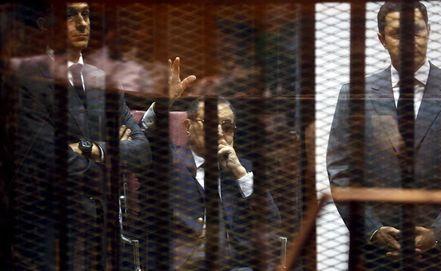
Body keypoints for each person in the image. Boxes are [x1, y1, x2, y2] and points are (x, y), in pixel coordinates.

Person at [9, 2, 153, 269]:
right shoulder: (28, 78)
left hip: (101, 226)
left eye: (85, 14)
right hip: (49, 223)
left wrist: (92, 148)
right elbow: (52, 160)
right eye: (69, 15)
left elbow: (143, 153)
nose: (82, 23)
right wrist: (114, 154)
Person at [327, 1, 441, 270]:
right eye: (397, 34)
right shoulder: (355, 93)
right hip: (375, 253)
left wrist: (439, 233)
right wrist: (373, 230)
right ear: (382, 39)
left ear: (428, 30)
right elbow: (341, 171)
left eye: (415, 30)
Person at [168, 97, 280, 270]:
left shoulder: (242, 169)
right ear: (188, 127)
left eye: (227, 127)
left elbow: (272, 220)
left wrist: (240, 173)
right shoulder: (170, 162)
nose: (220, 132)